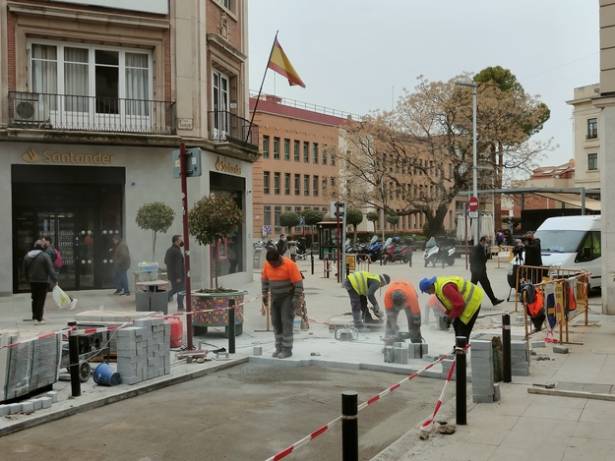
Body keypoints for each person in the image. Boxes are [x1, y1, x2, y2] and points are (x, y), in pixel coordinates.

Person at [261, 247, 304, 359]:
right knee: (276, 322)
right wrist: (264, 295)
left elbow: (298, 283)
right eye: (271, 264)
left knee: (286, 322)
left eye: (274, 263)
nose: (273, 266)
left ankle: (287, 350)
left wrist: (296, 298)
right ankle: (279, 348)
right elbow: (265, 280)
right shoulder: (267, 265)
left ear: (279, 259)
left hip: (287, 297)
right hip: (275, 297)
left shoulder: (290, 264)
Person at [419, 276, 484, 341]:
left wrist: (450, 318)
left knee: (461, 331)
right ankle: (460, 347)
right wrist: (448, 315)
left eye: (427, 292)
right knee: (457, 325)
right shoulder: (438, 288)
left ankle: (461, 347)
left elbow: (459, 304)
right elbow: (450, 304)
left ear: (430, 287)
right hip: (464, 302)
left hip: (472, 301)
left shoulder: (445, 288)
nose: (429, 294)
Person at [23, 240, 57, 324]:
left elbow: (24, 270)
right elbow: (50, 269)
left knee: (34, 299)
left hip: (32, 281)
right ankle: (39, 318)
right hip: (43, 281)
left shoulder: (27, 256)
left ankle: (34, 316)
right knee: (41, 300)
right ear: (42, 247)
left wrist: (27, 279)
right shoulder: (44, 256)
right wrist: (55, 279)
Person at [470, 236, 504, 307]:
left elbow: (484, 259)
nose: (487, 243)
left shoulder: (481, 248)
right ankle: (494, 300)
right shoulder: (477, 248)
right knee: (486, 286)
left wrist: (488, 253)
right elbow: (478, 259)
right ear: (482, 241)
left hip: (477, 270)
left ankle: (467, 301)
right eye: (486, 242)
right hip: (479, 271)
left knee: (472, 287)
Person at [164, 235, 185, 311]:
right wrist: (179, 276)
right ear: (176, 241)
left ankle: (162, 300)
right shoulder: (177, 251)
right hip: (178, 276)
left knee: (175, 290)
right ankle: (180, 307)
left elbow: (165, 261)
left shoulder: (169, 250)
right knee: (181, 290)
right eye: (180, 240)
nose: (182, 241)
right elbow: (178, 265)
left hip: (172, 275)